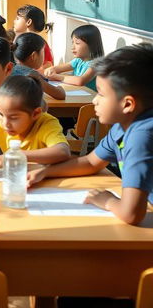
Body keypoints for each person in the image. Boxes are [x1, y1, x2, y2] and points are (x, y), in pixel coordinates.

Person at [28, 44, 153, 225]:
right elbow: (91, 162)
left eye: (101, 94)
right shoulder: (122, 126)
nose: (94, 100)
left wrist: (107, 201)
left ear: (127, 104)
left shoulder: (142, 135)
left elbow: (131, 214)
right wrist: (46, 172)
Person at [0, 75, 70, 173]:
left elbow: (62, 151)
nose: (5, 124)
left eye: (14, 118)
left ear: (35, 113)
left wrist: (13, 157)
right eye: (0, 114)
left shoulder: (46, 124)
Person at [45, 24, 104, 91]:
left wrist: (57, 77)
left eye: (77, 43)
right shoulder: (78, 60)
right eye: (72, 43)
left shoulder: (96, 64)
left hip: (90, 99)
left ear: (91, 45)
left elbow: (80, 81)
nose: (73, 47)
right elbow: (58, 68)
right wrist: (51, 70)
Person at [12, 32, 65, 100]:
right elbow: (60, 95)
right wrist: (60, 87)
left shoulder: (9, 70)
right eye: (43, 51)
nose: (44, 55)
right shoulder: (33, 75)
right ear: (34, 56)